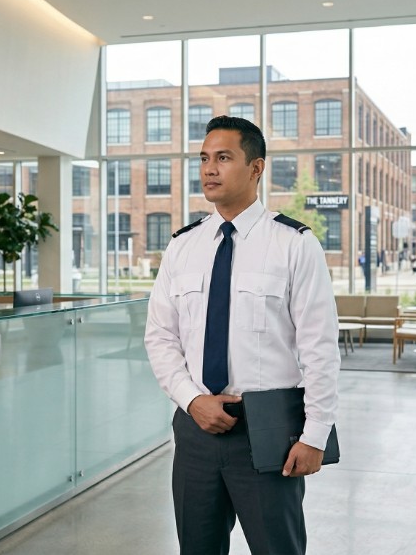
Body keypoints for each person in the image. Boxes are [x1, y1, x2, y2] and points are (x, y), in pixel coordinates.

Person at [144, 115, 340, 555]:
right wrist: (192, 400)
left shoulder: (294, 244)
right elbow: (160, 336)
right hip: (196, 430)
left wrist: (315, 435)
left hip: (268, 430)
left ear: (256, 168)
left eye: (224, 158)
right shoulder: (183, 246)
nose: (209, 169)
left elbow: (320, 347)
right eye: (204, 159)